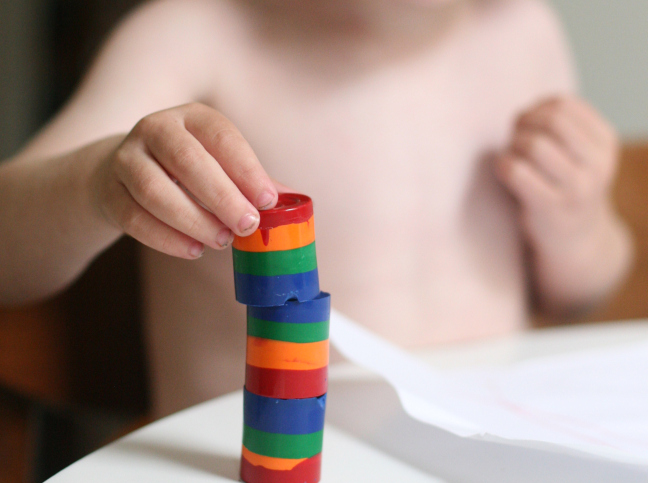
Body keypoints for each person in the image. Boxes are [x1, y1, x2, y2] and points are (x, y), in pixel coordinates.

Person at [0, 0, 633, 417]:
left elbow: (577, 294)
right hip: (254, 466)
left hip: (480, 456)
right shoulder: (194, 32)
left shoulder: (523, 33)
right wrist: (98, 184)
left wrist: (577, 227)